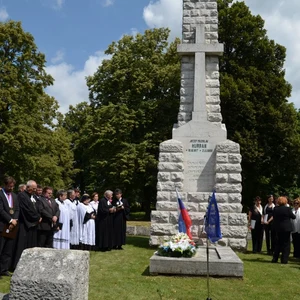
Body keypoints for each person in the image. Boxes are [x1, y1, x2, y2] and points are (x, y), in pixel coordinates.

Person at [12, 180, 41, 270]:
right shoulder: (22, 196)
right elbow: (27, 210)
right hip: (24, 224)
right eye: (34, 188)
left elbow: (36, 208)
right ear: (28, 188)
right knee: (21, 245)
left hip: (32, 225)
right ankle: (17, 265)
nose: (35, 190)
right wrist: (36, 217)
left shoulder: (32, 196)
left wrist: (38, 216)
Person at [0, 176, 19, 276]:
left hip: (12, 226)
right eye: (9, 186)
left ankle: (3, 269)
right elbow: (1, 210)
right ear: (5, 185)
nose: (11, 188)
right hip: (2, 224)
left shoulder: (14, 196)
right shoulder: (0, 194)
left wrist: (15, 219)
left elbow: (17, 209)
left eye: (13, 187)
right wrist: (10, 220)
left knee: (8, 249)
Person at [272, 196, 296, 264]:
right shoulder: (288, 209)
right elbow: (293, 217)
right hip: (286, 228)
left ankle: (275, 258)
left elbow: (274, 216)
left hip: (278, 228)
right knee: (286, 244)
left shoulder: (275, 209)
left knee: (278, 243)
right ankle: (284, 259)